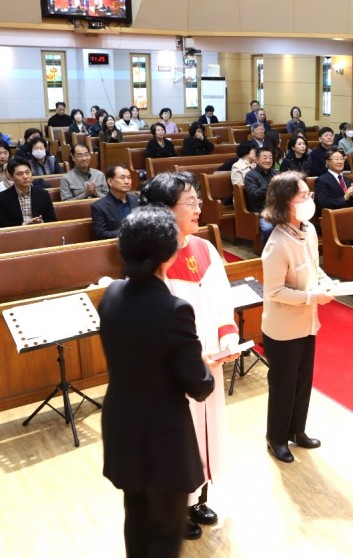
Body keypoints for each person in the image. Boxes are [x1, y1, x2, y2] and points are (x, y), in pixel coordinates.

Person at [98, 205, 215, 558]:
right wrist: (204, 364)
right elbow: (199, 385)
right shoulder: (173, 309)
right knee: (166, 531)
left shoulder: (112, 294)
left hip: (121, 424)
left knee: (136, 519)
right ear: (167, 253)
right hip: (161, 436)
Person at [139, 172, 240, 541]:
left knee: (206, 429)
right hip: (175, 370)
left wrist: (227, 336)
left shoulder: (204, 248)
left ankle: (199, 496)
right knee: (176, 436)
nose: (199, 208)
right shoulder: (151, 258)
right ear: (166, 210)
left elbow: (221, 299)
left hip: (208, 360)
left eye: (198, 201)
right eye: (191, 203)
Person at [261, 171, 333, 462]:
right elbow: (275, 291)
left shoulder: (309, 229)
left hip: (307, 322)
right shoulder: (277, 244)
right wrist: (311, 297)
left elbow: (314, 268)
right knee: (283, 386)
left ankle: (296, 431)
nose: (308, 200)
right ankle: (276, 437)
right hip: (283, 328)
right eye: (302, 196)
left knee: (303, 381)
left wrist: (327, 282)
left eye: (308, 194)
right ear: (285, 203)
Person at [0, 158, 57, 227]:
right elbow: (3, 226)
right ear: (11, 177)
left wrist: (41, 222)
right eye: (20, 174)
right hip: (16, 235)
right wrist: (23, 225)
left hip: (40, 232)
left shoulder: (43, 194)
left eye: (27, 172)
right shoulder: (3, 198)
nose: (25, 177)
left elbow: (52, 220)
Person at [91, 165, 139, 239]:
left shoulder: (137, 200)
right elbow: (101, 234)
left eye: (129, 178)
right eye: (122, 178)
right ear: (110, 181)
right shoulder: (99, 207)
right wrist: (127, 232)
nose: (127, 181)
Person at [244, 147, 277, 245]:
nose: (268, 160)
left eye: (270, 158)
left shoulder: (275, 173)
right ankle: (267, 251)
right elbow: (253, 194)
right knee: (268, 228)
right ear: (257, 159)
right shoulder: (250, 175)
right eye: (264, 157)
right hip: (260, 210)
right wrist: (269, 185)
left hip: (277, 209)